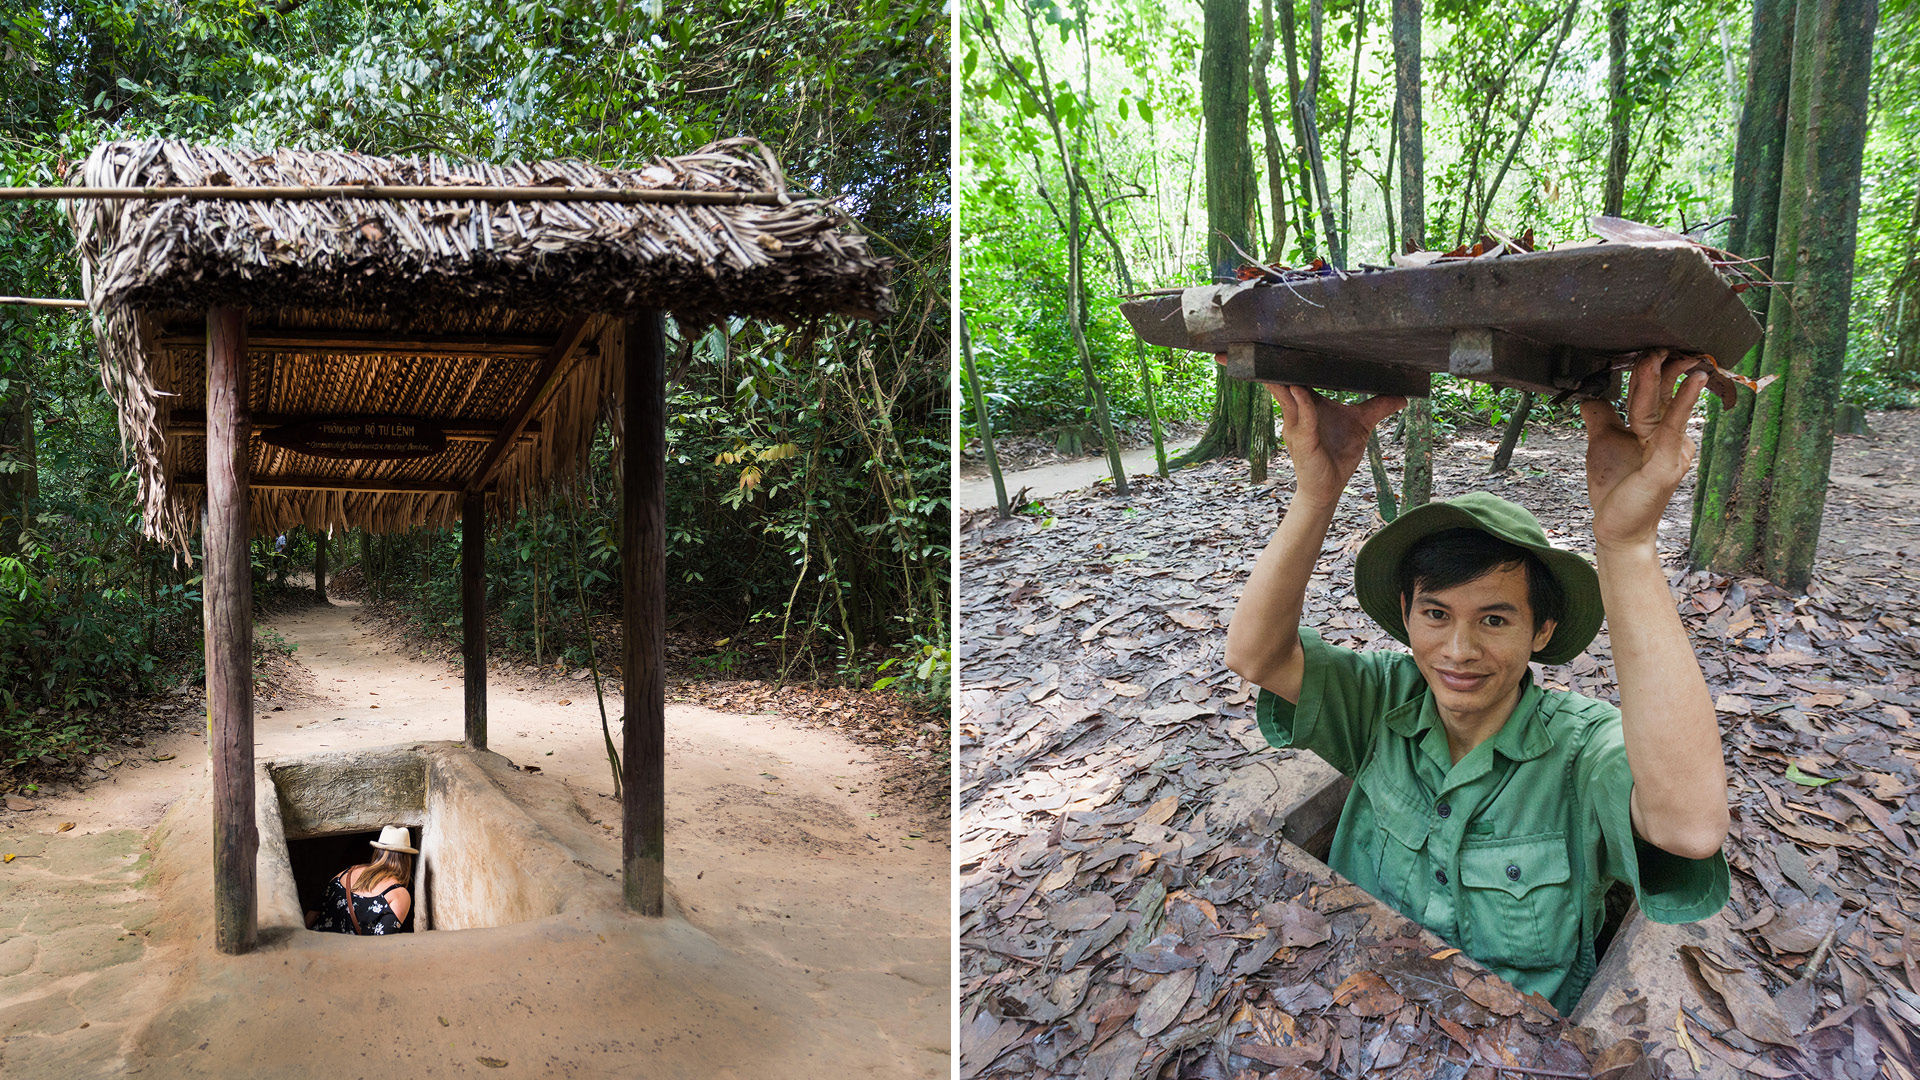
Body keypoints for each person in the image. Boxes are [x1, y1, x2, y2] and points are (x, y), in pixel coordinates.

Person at [1224, 350, 1730, 1014]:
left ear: (1542, 631)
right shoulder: (1381, 700)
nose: (1458, 651)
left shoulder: (1581, 756)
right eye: (1436, 614)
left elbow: (1689, 830)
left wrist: (1627, 545)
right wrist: (1318, 491)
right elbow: (1256, 655)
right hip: (1345, 1012)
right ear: (1405, 616)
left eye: (1495, 618)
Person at [306, 825, 417, 935]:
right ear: (407, 859)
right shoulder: (398, 894)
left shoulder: (346, 873)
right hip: (352, 952)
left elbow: (311, 915)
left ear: (377, 851)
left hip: (314, 947)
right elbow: (383, 944)